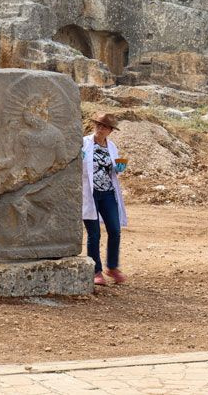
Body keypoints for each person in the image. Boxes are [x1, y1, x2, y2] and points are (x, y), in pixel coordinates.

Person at [81, 112, 128, 286]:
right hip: (90, 193)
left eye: (105, 127)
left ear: (110, 131)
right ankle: (96, 271)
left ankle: (113, 267)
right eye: (98, 125)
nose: (101, 129)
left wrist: (120, 167)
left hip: (107, 192)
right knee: (94, 233)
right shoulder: (84, 144)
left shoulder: (112, 147)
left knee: (115, 230)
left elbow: (115, 169)